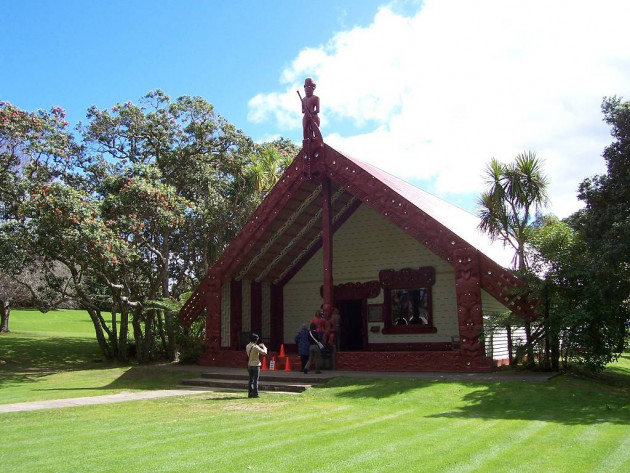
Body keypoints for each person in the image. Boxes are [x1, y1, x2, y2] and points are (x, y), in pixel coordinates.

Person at [245, 333, 267, 398]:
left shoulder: (247, 346)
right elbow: (264, 352)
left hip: (249, 364)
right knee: (255, 380)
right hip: (256, 365)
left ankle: (250, 393)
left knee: (250, 380)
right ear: (256, 340)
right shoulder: (255, 347)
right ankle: (255, 394)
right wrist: (264, 346)